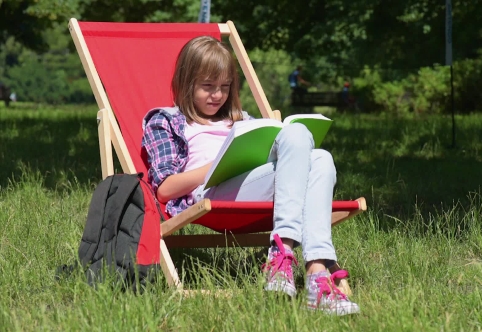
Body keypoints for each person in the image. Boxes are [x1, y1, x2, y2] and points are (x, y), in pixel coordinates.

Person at [142, 36, 360, 316]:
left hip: (257, 187)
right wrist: (218, 164)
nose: (217, 95)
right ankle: (290, 258)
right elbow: (165, 189)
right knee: (303, 143)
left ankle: (313, 268)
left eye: (224, 87)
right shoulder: (166, 120)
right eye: (207, 86)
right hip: (210, 194)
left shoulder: (242, 120)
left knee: (321, 157)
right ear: (186, 83)